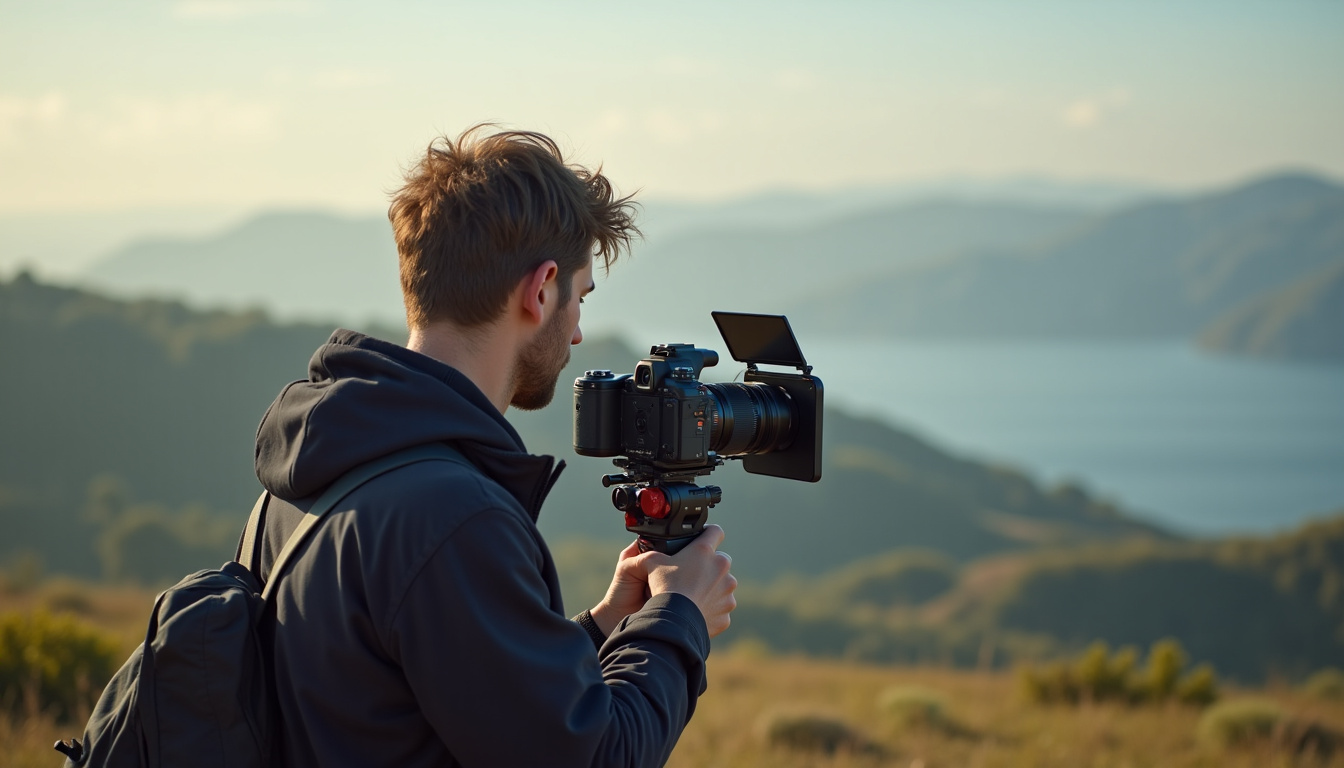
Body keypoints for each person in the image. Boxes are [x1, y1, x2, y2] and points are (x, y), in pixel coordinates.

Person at [245, 126, 737, 767]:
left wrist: (602, 627)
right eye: (579, 298)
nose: (580, 331)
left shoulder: (313, 468)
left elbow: (432, 697)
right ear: (541, 290)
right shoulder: (454, 518)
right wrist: (679, 619)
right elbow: (594, 758)